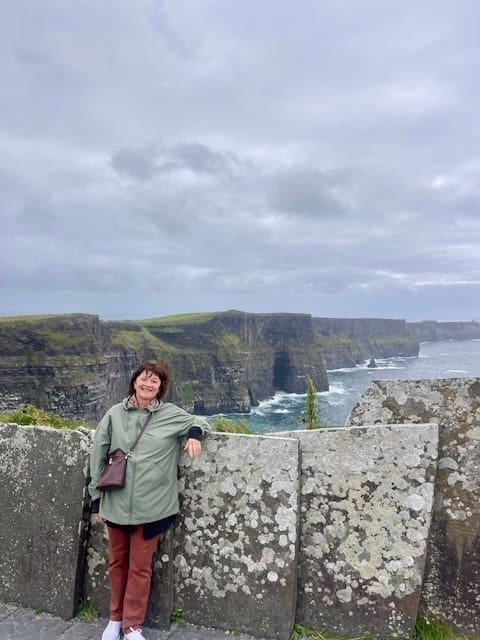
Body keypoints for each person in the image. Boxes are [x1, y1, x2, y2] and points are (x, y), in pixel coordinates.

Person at [88, 359, 211, 640]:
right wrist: (97, 500)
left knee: (140, 568)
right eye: (144, 378)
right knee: (117, 563)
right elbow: (98, 455)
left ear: (161, 387)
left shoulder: (169, 415)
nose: (148, 384)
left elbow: (200, 421)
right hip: (115, 503)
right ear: (134, 381)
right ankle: (115, 620)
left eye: (154, 381)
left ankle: (132, 625)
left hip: (152, 507)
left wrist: (194, 434)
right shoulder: (115, 414)